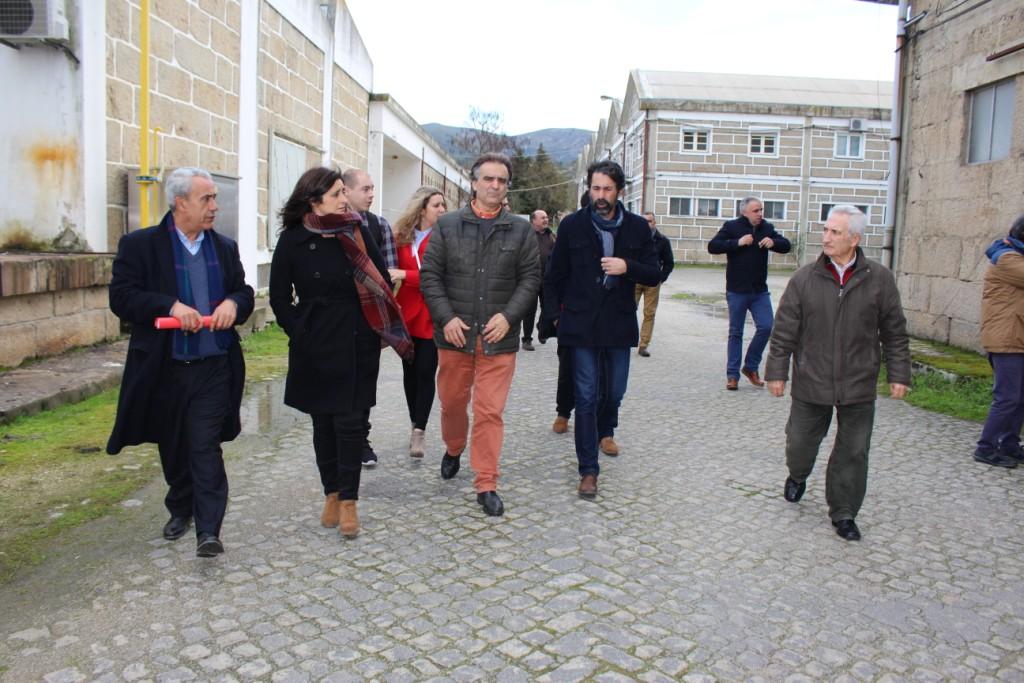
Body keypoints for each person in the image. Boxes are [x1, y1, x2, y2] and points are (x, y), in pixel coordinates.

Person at [106, 167, 255, 558]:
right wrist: (168, 304)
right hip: (165, 367)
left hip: (214, 365)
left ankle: (209, 531)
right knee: (174, 445)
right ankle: (181, 504)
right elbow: (122, 298)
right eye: (206, 198)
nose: (214, 207)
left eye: (214, 199)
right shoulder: (140, 246)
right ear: (180, 202)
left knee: (205, 445)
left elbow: (244, 292)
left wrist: (232, 304)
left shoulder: (223, 247)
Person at [270, 166, 412, 539]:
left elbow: (380, 280)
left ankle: (349, 500)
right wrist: (299, 329)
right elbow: (279, 298)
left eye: (341, 192)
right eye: (335, 194)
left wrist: (373, 326)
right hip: (315, 343)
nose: (343, 199)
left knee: (351, 424)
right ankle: (330, 492)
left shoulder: (356, 228)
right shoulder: (294, 239)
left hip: (356, 339)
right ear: (314, 201)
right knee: (324, 425)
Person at [765, 204, 910, 542]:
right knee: (799, 443)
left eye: (835, 232)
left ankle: (843, 512)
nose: (826, 237)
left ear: (855, 239)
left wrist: (899, 373)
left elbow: (894, 332)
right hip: (812, 379)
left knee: (853, 451)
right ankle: (798, 474)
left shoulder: (880, 280)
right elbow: (785, 329)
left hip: (858, 383)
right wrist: (777, 370)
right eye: (826, 230)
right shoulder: (805, 278)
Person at [420, 152, 540, 517]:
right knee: (453, 403)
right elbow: (430, 277)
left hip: (498, 340)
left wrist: (509, 316)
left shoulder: (520, 229)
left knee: (490, 411)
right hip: (455, 336)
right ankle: (454, 447)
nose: (495, 186)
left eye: (502, 181)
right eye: (488, 179)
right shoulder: (448, 225)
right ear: (473, 183)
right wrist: (446, 318)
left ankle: (486, 482)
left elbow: (531, 278)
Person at [544, 160, 661, 498]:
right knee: (585, 394)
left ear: (619, 191)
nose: (600, 195)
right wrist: (555, 317)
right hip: (580, 323)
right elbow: (554, 276)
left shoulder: (638, 228)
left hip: (619, 323)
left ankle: (605, 429)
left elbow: (655, 273)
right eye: (595, 188)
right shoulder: (572, 226)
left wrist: (628, 267)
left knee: (614, 392)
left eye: (607, 189)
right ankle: (588, 470)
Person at [342, 168, 397, 467]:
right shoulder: (327, 226)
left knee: (365, 383)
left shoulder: (378, 226)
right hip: (336, 323)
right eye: (365, 189)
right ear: (345, 191)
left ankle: (361, 439)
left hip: (368, 321)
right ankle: (339, 439)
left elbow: (388, 277)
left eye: (373, 188)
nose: (371, 194)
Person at [708, 197, 791, 390]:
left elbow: (786, 245)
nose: (760, 213)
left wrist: (774, 242)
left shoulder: (766, 228)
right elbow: (713, 246)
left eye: (761, 210)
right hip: (737, 290)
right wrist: (738, 242)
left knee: (766, 327)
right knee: (736, 333)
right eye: (756, 210)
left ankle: (751, 366)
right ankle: (732, 375)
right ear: (744, 212)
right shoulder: (732, 226)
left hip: (759, 291)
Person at [389, 186, 446, 459]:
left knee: (426, 372)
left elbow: (439, 277)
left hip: (432, 317)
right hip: (406, 316)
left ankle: (420, 430)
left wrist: (404, 274)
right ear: (422, 208)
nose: (442, 210)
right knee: (410, 374)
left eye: (443, 205)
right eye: (437, 205)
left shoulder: (444, 238)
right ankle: (415, 420)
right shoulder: (399, 238)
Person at [974, 213, 1024, 469]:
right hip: (1006, 339)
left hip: (1017, 337)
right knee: (1007, 397)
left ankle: (1010, 444)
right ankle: (986, 447)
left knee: (1020, 397)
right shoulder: (1007, 259)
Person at [634, 211, 675, 357]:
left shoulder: (662, 241)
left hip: (652, 282)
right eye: (644, 221)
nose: (647, 224)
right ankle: (626, 341)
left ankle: (643, 345)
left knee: (649, 314)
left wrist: (660, 278)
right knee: (628, 309)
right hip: (635, 280)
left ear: (654, 223)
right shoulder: (634, 238)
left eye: (650, 221)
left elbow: (669, 263)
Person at [521, 209, 556, 351]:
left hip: (547, 279)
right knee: (529, 310)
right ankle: (527, 339)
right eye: (542, 218)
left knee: (548, 307)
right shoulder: (527, 236)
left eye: (546, 217)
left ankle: (542, 329)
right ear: (533, 221)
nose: (546, 220)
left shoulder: (551, 236)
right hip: (530, 278)